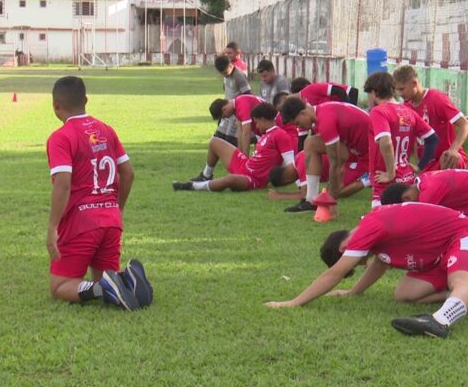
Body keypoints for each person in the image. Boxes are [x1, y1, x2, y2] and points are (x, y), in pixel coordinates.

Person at [264, 202, 468, 339]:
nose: (361, 263)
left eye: (355, 261)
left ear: (344, 246)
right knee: (404, 292)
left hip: (467, 236)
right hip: (441, 254)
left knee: (460, 281)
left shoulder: (367, 228)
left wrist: (294, 302)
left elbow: (334, 274)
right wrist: (353, 292)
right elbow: (380, 264)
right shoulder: (373, 235)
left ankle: (439, 321)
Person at [45, 76, 153, 310]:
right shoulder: (106, 130)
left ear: (55, 105)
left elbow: (63, 182)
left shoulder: (61, 137)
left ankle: (103, 287)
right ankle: (126, 281)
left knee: (59, 286)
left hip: (81, 222)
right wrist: (118, 207)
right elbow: (128, 172)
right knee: (104, 278)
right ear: (86, 100)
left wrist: (53, 227)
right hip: (111, 220)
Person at [173, 103, 295, 192]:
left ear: (263, 119)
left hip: (253, 179)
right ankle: (206, 175)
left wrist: (293, 184)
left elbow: (291, 164)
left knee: (230, 180)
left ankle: (192, 186)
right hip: (245, 165)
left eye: (257, 122)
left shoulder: (280, 135)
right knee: (214, 142)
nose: (256, 126)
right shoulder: (266, 134)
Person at [280, 98, 369, 212]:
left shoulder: (325, 121)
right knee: (310, 143)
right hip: (353, 150)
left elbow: (335, 162)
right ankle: (310, 200)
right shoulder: (319, 114)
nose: (299, 127)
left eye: (297, 123)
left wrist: (331, 199)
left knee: (337, 189)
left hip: (369, 157)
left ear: (303, 113)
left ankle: (369, 178)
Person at [364, 72, 439, 208]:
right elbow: (432, 139)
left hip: (386, 179)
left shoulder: (378, 111)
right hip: (406, 178)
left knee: (381, 223)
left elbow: (385, 141)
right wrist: (420, 166)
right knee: (405, 220)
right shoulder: (408, 111)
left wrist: (390, 172)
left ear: (374, 93)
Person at [392, 65, 468, 172]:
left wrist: (453, 150)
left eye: (402, 89)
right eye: (397, 90)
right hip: (427, 163)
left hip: (447, 159)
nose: (400, 94)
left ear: (414, 83)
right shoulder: (406, 107)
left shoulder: (437, 98)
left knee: (452, 161)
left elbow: (465, 125)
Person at [267, 152, 369, 201]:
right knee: (330, 191)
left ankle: (369, 179)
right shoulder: (299, 158)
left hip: (352, 163)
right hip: (345, 162)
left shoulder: (302, 165)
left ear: (287, 180)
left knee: (334, 192)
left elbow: (306, 195)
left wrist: (280, 196)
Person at [207, 54, 251, 153]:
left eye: (225, 72)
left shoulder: (239, 76)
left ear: (230, 65)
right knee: (218, 137)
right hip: (226, 111)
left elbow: (248, 95)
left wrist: (241, 114)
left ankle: (236, 161)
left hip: (236, 112)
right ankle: (208, 168)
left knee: (231, 140)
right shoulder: (226, 75)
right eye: (222, 73)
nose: (224, 75)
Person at [290, 77, 359, 106]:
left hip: (348, 93)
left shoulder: (312, 89)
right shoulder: (310, 100)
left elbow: (340, 91)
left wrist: (346, 108)